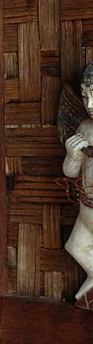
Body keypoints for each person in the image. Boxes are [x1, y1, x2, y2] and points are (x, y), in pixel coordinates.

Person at [62, 63, 93, 299]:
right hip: (86, 206)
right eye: (85, 96)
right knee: (75, 247)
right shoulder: (84, 128)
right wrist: (73, 156)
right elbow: (71, 173)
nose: (90, 105)